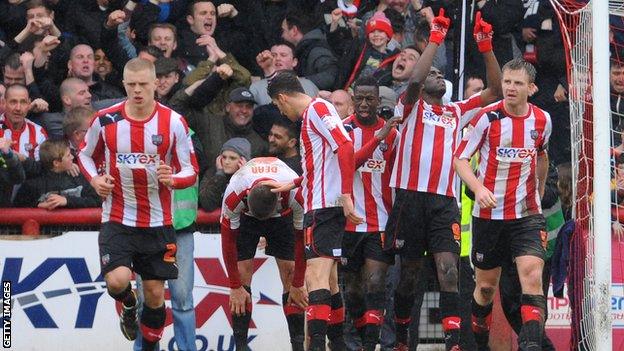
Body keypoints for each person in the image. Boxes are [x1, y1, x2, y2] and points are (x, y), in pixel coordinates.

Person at [384, 10, 501, 351]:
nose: (433, 73)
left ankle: (453, 344)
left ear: (446, 87)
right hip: (409, 197)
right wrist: (434, 39)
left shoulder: (455, 111)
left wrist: (486, 46)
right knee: (407, 277)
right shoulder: (409, 108)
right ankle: (404, 339)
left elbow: (494, 90)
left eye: (438, 71)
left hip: (442, 203)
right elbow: (416, 82)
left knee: (449, 271)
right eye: (430, 69)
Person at [77, 58, 198, 351]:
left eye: (144, 84)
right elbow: (84, 155)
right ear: (124, 85)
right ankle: (128, 304)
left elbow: (191, 169)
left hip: (158, 222)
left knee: (156, 296)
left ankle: (148, 347)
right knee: (117, 282)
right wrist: (95, 181)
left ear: (155, 84)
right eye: (131, 85)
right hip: (117, 217)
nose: (138, 90)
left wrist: (174, 179)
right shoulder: (105, 119)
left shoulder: (173, 122)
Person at [453, 58, 552, 351]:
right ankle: (481, 343)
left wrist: (540, 190)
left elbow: (542, 156)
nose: (510, 87)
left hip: (526, 215)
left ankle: (531, 346)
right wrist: (478, 187)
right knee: (485, 289)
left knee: (532, 277)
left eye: (517, 83)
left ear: (531, 88)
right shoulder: (487, 118)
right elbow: (459, 159)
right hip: (489, 215)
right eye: (507, 81)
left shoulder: (543, 120)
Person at [267, 70, 362, 350]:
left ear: (283, 97)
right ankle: (339, 344)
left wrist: (346, 193)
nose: (281, 112)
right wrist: (295, 182)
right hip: (319, 205)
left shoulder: (318, 109)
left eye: (277, 105)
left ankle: (318, 345)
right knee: (329, 283)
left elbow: (344, 146)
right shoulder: (313, 114)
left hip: (325, 208)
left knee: (314, 278)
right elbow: (323, 164)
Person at [220, 157, 306, 351]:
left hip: (283, 217)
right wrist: (234, 286)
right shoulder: (234, 193)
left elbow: (302, 239)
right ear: (247, 195)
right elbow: (228, 242)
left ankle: (297, 346)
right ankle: (241, 346)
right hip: (246, 218)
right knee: (242, 276)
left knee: (291, 275)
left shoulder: (295, 193)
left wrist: (299, 283)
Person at [341, 75, 401, 351]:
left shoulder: (393, 135)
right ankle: (355, 340)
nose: (364, 104)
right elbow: (349, 164)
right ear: (353, 100)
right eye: (359, 98)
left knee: (377, 284)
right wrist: (377, 138)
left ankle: (369, 345)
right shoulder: (342, 131)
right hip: (349, 224)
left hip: (380, 223)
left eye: (370, 99)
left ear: (378, 100)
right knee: (353, 292)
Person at [14, 139, 100, 209]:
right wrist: (38, 205)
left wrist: (67, 201)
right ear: (56, 163)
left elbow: (96, 200)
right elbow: (18, 205)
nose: (72, 157)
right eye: (68, 155)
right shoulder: (34, 182)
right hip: (46, 228)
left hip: (75, 228)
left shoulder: (76, 175)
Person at [199, 137, 251, 212]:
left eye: (232, 158)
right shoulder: (212, 173)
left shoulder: (252, 176)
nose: (226, 162)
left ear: (243, 160)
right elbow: (207, 204)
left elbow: (248, 207)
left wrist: (243, 177)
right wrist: (219, 176)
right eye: (224, 157)